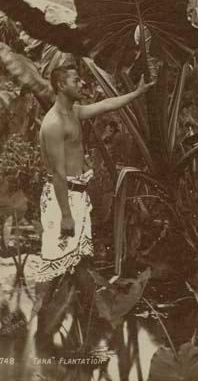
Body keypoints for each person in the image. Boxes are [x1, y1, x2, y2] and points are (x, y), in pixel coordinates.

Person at [37, 64, 153, 283]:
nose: (82, 84)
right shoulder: (54, 123)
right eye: (76, 81)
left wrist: (137, 93)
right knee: (58, 270)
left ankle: (81, 312)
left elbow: (107, 104)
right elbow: (58, 174)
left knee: (78, 263)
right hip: (63, 199)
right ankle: (52, 313)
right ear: (61, 85)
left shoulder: (74, 112)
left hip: (76, 195)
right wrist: (66, 215)